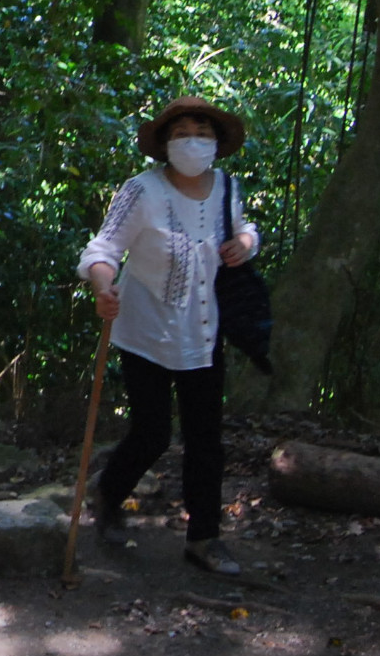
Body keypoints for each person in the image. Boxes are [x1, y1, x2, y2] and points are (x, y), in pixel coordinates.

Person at [79, 94, 261, 575]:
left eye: (202, 133)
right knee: (153, 432)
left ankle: (204, 537)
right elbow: (104, 246)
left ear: (217, 143)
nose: (193, 142)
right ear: (164, 144)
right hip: (145, 331)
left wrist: (244, 243)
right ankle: (110, 494)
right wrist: (103, 285)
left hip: (204, 330)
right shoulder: (142, 191)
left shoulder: (225, 186)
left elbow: (244, 228)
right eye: (182, 133)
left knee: (206, 439)